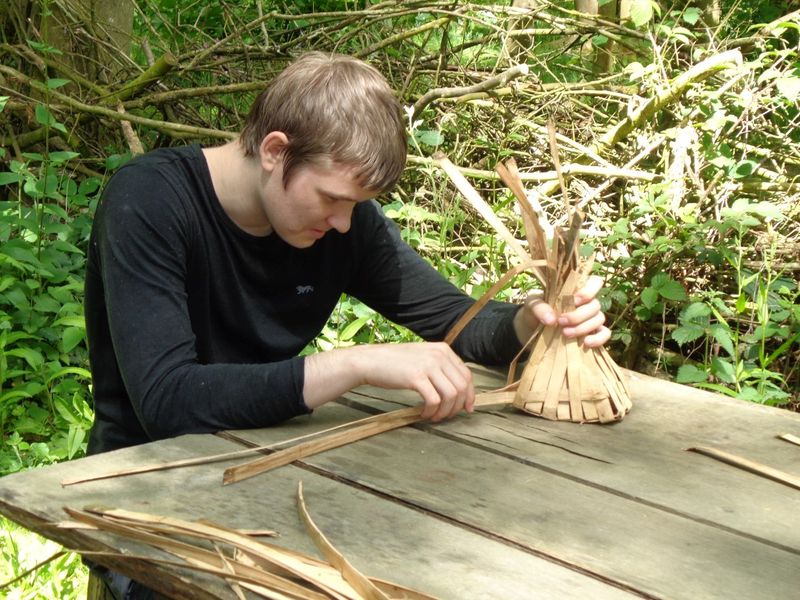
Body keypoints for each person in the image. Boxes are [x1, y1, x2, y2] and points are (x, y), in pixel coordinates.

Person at [83, 52, 609, 598]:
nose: (342, 222)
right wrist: (354, 364)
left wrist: (533, 321)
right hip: (143, 492)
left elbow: (457, 321)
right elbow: (169, 401)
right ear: (274, 151)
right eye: (333, 199)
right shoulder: (151, 201)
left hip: (270, 471)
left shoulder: (341, 223)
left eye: (357, 205)